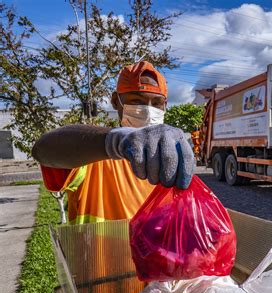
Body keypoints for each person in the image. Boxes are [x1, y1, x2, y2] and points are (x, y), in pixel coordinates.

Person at [32, 61, 195, 224]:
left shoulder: (169, 159)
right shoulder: (92, 154)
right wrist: (116, 141)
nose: (149, 110)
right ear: (116, 101)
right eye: (137, 101)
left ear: (165, 105)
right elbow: (42, 149)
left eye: (157, 103)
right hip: (100, 249)